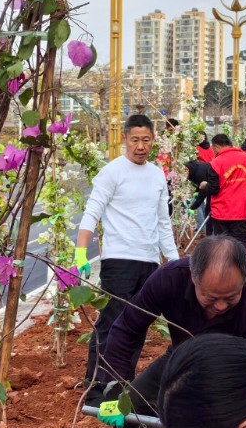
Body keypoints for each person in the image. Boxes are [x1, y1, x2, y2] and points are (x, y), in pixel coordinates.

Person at [85, 236, 246, 428]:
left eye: (230, 298)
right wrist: (116, 389)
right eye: (210, 297)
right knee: (132, 409)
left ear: (244, 280)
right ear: (193, 278)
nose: (220, 306)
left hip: (231, 375)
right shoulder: (170, 279)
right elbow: (127, 328)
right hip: (182, 359)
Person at [76, 113, 180, 398]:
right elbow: (92, 212)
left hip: (148, 263)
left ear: (153, 141)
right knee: (112, 323)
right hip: (119, 261)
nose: (140, 146)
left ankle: (122, 384)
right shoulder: (113, 172)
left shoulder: (157, 175)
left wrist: (174, 260)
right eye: (135, 140)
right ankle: (96, 387)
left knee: (137, 326)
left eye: (146, 140)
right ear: (125, 140)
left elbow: (162, 223)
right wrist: (81, 252)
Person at [207, 133, 246, 246]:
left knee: (222, 246)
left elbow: (214, 189)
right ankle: (240, 263)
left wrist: (205, 185)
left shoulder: (215, 163)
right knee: (240, 244)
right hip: (241, 209)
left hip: (221, 211)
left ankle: (225, 264)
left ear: (217, 146)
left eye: (213, 148)